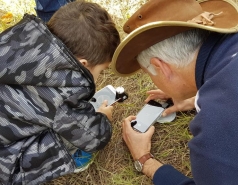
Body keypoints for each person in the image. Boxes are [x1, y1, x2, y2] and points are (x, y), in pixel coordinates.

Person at [111, 0, 238, 184]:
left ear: (160, 67)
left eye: (149, 73)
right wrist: (196, 98)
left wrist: (146, 161)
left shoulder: (214, 130)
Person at [0, 1, 120, 184]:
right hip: (4, 165)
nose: (99, 77)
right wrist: (103, 118)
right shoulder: (64, 93)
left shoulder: (17, 41)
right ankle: (74, 160)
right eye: (101, 71)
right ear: (83, 64)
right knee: (70, 135)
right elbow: (94, 137)